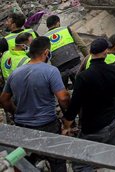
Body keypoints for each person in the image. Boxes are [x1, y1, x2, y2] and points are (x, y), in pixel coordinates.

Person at [1, 37, 70, 172]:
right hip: (48, 126)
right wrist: (68, 119)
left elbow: (3, 100)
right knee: (57, 161)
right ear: (46, 52)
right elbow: (63, 98)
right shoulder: (51, 71)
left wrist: (16, 112)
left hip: (23, 128)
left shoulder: (15, 73)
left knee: (24, 164)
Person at [63, 38, 115, 171]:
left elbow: (74, 105)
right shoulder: (114, 71)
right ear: (105, 53)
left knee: (81, 165)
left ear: (91, 53)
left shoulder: (83, 77)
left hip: (93, 128)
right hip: (114, 121)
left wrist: (66, 126)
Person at [44, 14, 88, 85]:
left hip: (59, 68)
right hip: (75, 62)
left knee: (64, 91)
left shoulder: (44, 38)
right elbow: (82, 46)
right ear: (58, 23)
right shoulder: (67, 29)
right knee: (83, 86)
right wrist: (88, 59)